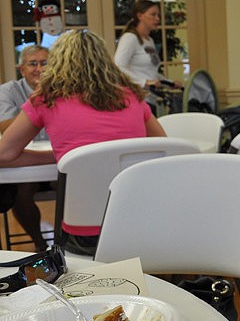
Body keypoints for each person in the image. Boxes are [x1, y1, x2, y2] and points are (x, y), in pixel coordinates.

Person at [0, 30, 166, 255]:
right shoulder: (131, 97)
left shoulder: (46, 100)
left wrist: (63, 156)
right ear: (105, 60)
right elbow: (163, 150)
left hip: (84, 235)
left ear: (58, 62)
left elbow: (4, 155)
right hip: (140, 226)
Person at [0, 45, 51, 250]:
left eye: (44, 63)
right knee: (22, 191)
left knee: (71, 183)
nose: (39, 68)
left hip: (55, 158)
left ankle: (67, 242)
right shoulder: (8, 90)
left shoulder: (63, 88)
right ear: (22, 69)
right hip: (24, 159)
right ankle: (40, 243)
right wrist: (35, 103)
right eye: (33, 64)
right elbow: (3, 126)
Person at [113, 0, 181, 114]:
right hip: (136, 100)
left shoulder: (150, 41)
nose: (157, 19)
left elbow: (151, 72)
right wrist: (143, 82)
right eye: (153, 14)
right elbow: (118, 66)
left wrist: (169, 83)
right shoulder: (130, 38)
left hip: (150, 100)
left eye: (158, 15)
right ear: (140, 16)